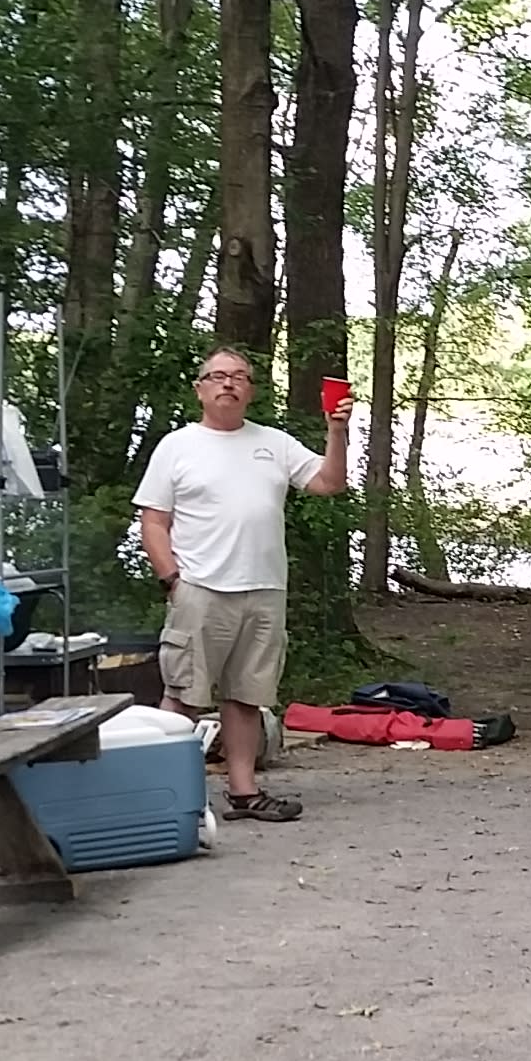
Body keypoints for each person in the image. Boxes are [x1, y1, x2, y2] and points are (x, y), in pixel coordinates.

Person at [134, 347, 349, 822]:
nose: (228, 383)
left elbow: (329, 483)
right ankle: (156, 793)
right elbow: (154, 521)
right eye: (218, 376)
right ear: (200, 388)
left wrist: (337, 430)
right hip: (201, 588)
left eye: (239, 376)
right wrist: (172, 579)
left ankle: (244, 791)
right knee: (183, 694)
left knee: (247, 695)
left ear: (250, 389)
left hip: (265, 588)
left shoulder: (274, 442)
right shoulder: (177, 445)